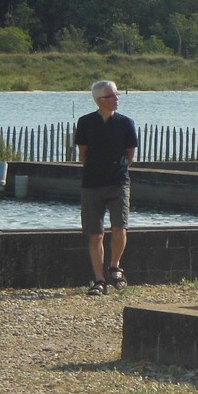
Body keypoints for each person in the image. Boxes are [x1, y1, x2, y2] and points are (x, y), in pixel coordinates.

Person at [73, 80, 138, 296]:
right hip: (92, 184)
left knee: (120, 228)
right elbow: (83, 153)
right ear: (100, 100)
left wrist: (115, 170)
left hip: (119, 182)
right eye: (112, 96)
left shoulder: (126, 123)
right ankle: (99, 280)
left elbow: (130, 156)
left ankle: (115, 265)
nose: (117, 99)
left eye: (118, 94)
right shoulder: (85, 122)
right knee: (95, 234)